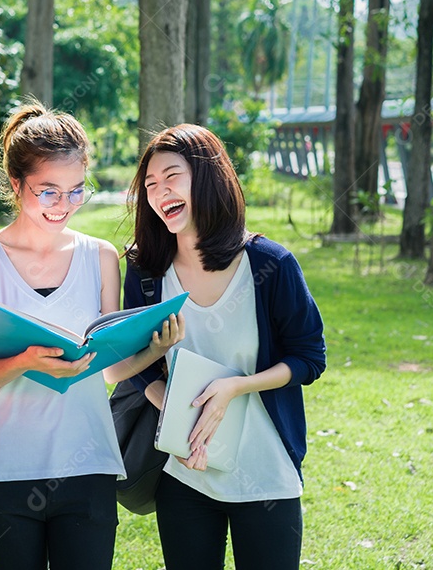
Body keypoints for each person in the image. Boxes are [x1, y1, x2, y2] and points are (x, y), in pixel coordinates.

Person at [0, 103, 184, 570]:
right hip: (5, 468)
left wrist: (153, 348)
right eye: (49, 192)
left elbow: (111, 368)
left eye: (77, 191)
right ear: (17, 185)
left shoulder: (99, 256)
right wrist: (25, 360)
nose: (64, 205)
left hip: (89, 464)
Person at [119, 124, 327, 570]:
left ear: (208, 176)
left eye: (172, 176)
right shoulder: (147, 272)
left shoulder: (270, 264)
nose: (160, 193)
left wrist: (236, 386)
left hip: (265, 474)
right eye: (151, 185)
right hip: (183, 475)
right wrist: (173, 411)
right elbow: (135, 362)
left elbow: (310, 356)